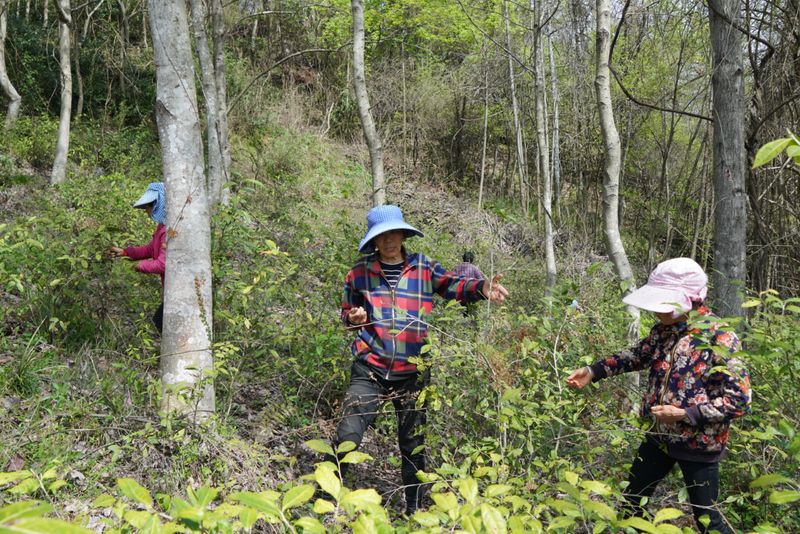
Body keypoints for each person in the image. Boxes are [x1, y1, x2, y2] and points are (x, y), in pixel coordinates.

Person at [334, 204, 508, 515]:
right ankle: (330, 499)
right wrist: (354, 316)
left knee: (412, 444)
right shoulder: (359, 273)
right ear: (374, 240)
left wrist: (482, 287)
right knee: (348, 434)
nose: (389, 240)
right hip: (369, 368)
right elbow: (347, 315)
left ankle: (414, 509)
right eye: (382, 236)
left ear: (403, 235)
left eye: (394, 234)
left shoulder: (423, 267)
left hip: (413, 373)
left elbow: (454, 286)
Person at [566, 258, 751, 534]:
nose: (658, 312)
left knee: (707, 521)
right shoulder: (663, 331)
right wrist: (594, 371)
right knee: (632, 502)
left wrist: (687, 414)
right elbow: (636, 356)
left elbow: (739, 399)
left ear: (692, 299)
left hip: (699, 445)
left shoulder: (719, 337)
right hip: (658, 437)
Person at [109, 182, 167, 333]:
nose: (146, 211)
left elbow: (163, 264)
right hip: (171, 289)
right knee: (160, 324)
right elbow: (151, 248)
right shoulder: (162, 226)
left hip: (181, 290)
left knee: (160, 324)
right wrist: (126, 252)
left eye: (147, 207)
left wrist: (140, 265)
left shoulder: (170, 230)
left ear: (158, 205)